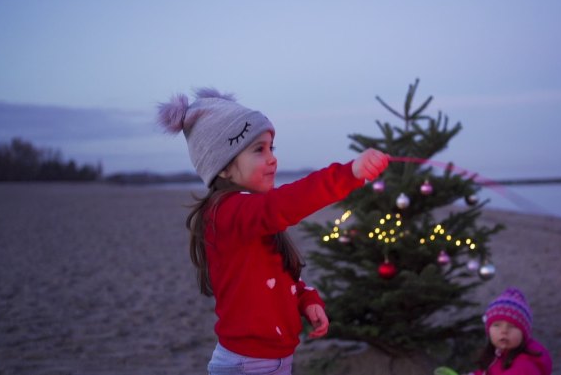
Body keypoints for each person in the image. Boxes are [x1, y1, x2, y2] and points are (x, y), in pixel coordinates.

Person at [157, 87, 389, 375]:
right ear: (224, 168)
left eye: (271, 148)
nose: (272, 158)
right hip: (247, 365)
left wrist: (307, 300)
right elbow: (285, 204)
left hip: (273, 361)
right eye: (258, 150)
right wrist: (349, 173)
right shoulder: (228, 214)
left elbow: (278, 277)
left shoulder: (250, 215)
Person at [469, 287, 552, 375]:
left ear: (524, 334)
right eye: (497, 325)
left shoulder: (524, 367)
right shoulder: (498, 354)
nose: (504, 331)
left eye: (512, 326)